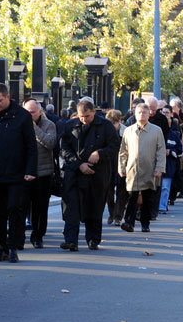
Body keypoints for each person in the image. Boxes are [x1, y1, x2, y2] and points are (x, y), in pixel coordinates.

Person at [0, 83, 37, 263]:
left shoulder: (22, 116)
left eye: (0, 100)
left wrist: (30, 170)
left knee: (14, 209)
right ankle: (1, 249)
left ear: (7, 97)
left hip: (16, 172)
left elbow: (30, 145)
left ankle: (13, 247)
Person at [60, 99, 119, 251]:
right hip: (75, 173)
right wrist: (79, 164)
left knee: (95, 207)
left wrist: (100, 153)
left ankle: (93, 239)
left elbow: (114, 146)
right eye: (81, 117)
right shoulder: (70, 126)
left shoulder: (105, 126)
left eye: (87, 116)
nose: (84, 120)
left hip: (97, 173)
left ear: (93, 112)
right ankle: (71, 239)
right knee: (71, 207)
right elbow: (64, 149)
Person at [119, 103, 166, 233]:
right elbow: (123, 151)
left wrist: (160, 168)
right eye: (139, 112)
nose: (141, 115)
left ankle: (145, 223)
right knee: (132, 196)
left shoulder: (156, 130)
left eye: (144, 112)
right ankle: (129, 222)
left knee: (147, 197)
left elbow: (161, 150)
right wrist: (121, 167)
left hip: (149, 169)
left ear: (149, 114)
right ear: (135, 114)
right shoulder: (128, 131)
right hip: (132, 170)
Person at [22, 99, 57, 249]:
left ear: (39, 112)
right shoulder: (20, 125)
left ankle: (38, 235)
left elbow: (50, 143)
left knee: (40, 207)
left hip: (43, 173)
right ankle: (18, 235)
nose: (29, 116)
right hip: (24, 173)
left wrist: (35, 128)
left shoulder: (49, 125)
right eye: (27, 112)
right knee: (21, 206)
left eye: (32, 112)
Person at [105, 109, 128, 225]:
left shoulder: (125, 131)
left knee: (121, 191)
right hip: (109, 163)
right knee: (108, 191)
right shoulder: (106, 130)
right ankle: (111, 213)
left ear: (119, 121)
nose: (112, 126)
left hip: (121, 162)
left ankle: (118, 216)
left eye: (114, 123)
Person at [158, 105, 183, 214]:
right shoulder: (156, 134)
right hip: (156, 164)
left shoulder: (174, 135)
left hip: (169, 166)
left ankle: (162, 206)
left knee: (165, 187)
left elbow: (180, 150)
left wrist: (171, 152)